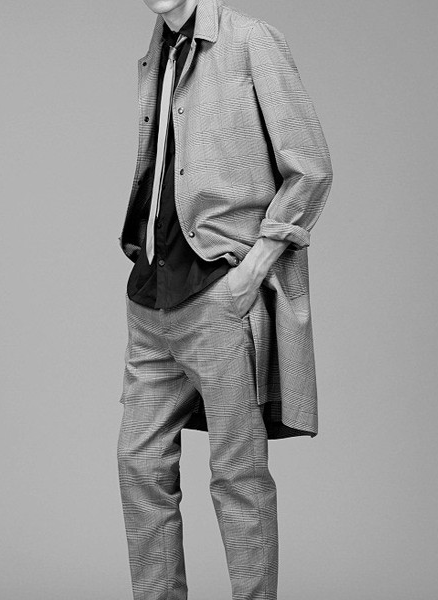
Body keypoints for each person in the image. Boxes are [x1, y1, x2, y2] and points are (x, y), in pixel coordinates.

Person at [116, 0, 332, 598]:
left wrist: (255, 266)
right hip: (151, 299)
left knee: (238, 476)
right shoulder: (158, 51)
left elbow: (311, 167)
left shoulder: (251, 40)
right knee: (139, 466)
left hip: (217, 294)